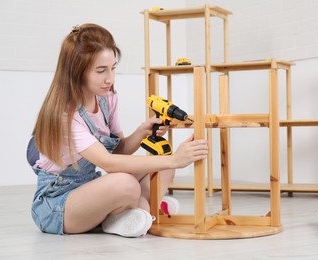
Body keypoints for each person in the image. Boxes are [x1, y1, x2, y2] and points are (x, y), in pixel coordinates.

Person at [29, 24, 208, 237]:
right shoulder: (65, 115)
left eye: (113, 68)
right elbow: (108, 163)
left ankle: (133, 213)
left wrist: (141, 132)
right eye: (101, 70)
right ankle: (140, 210)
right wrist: (176, 159)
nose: (110, 78)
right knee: (127, 184)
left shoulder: (106, 98)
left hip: (90, 186)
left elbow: (119, 152)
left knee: (163, 167)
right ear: (77, 71)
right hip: (57, 204)